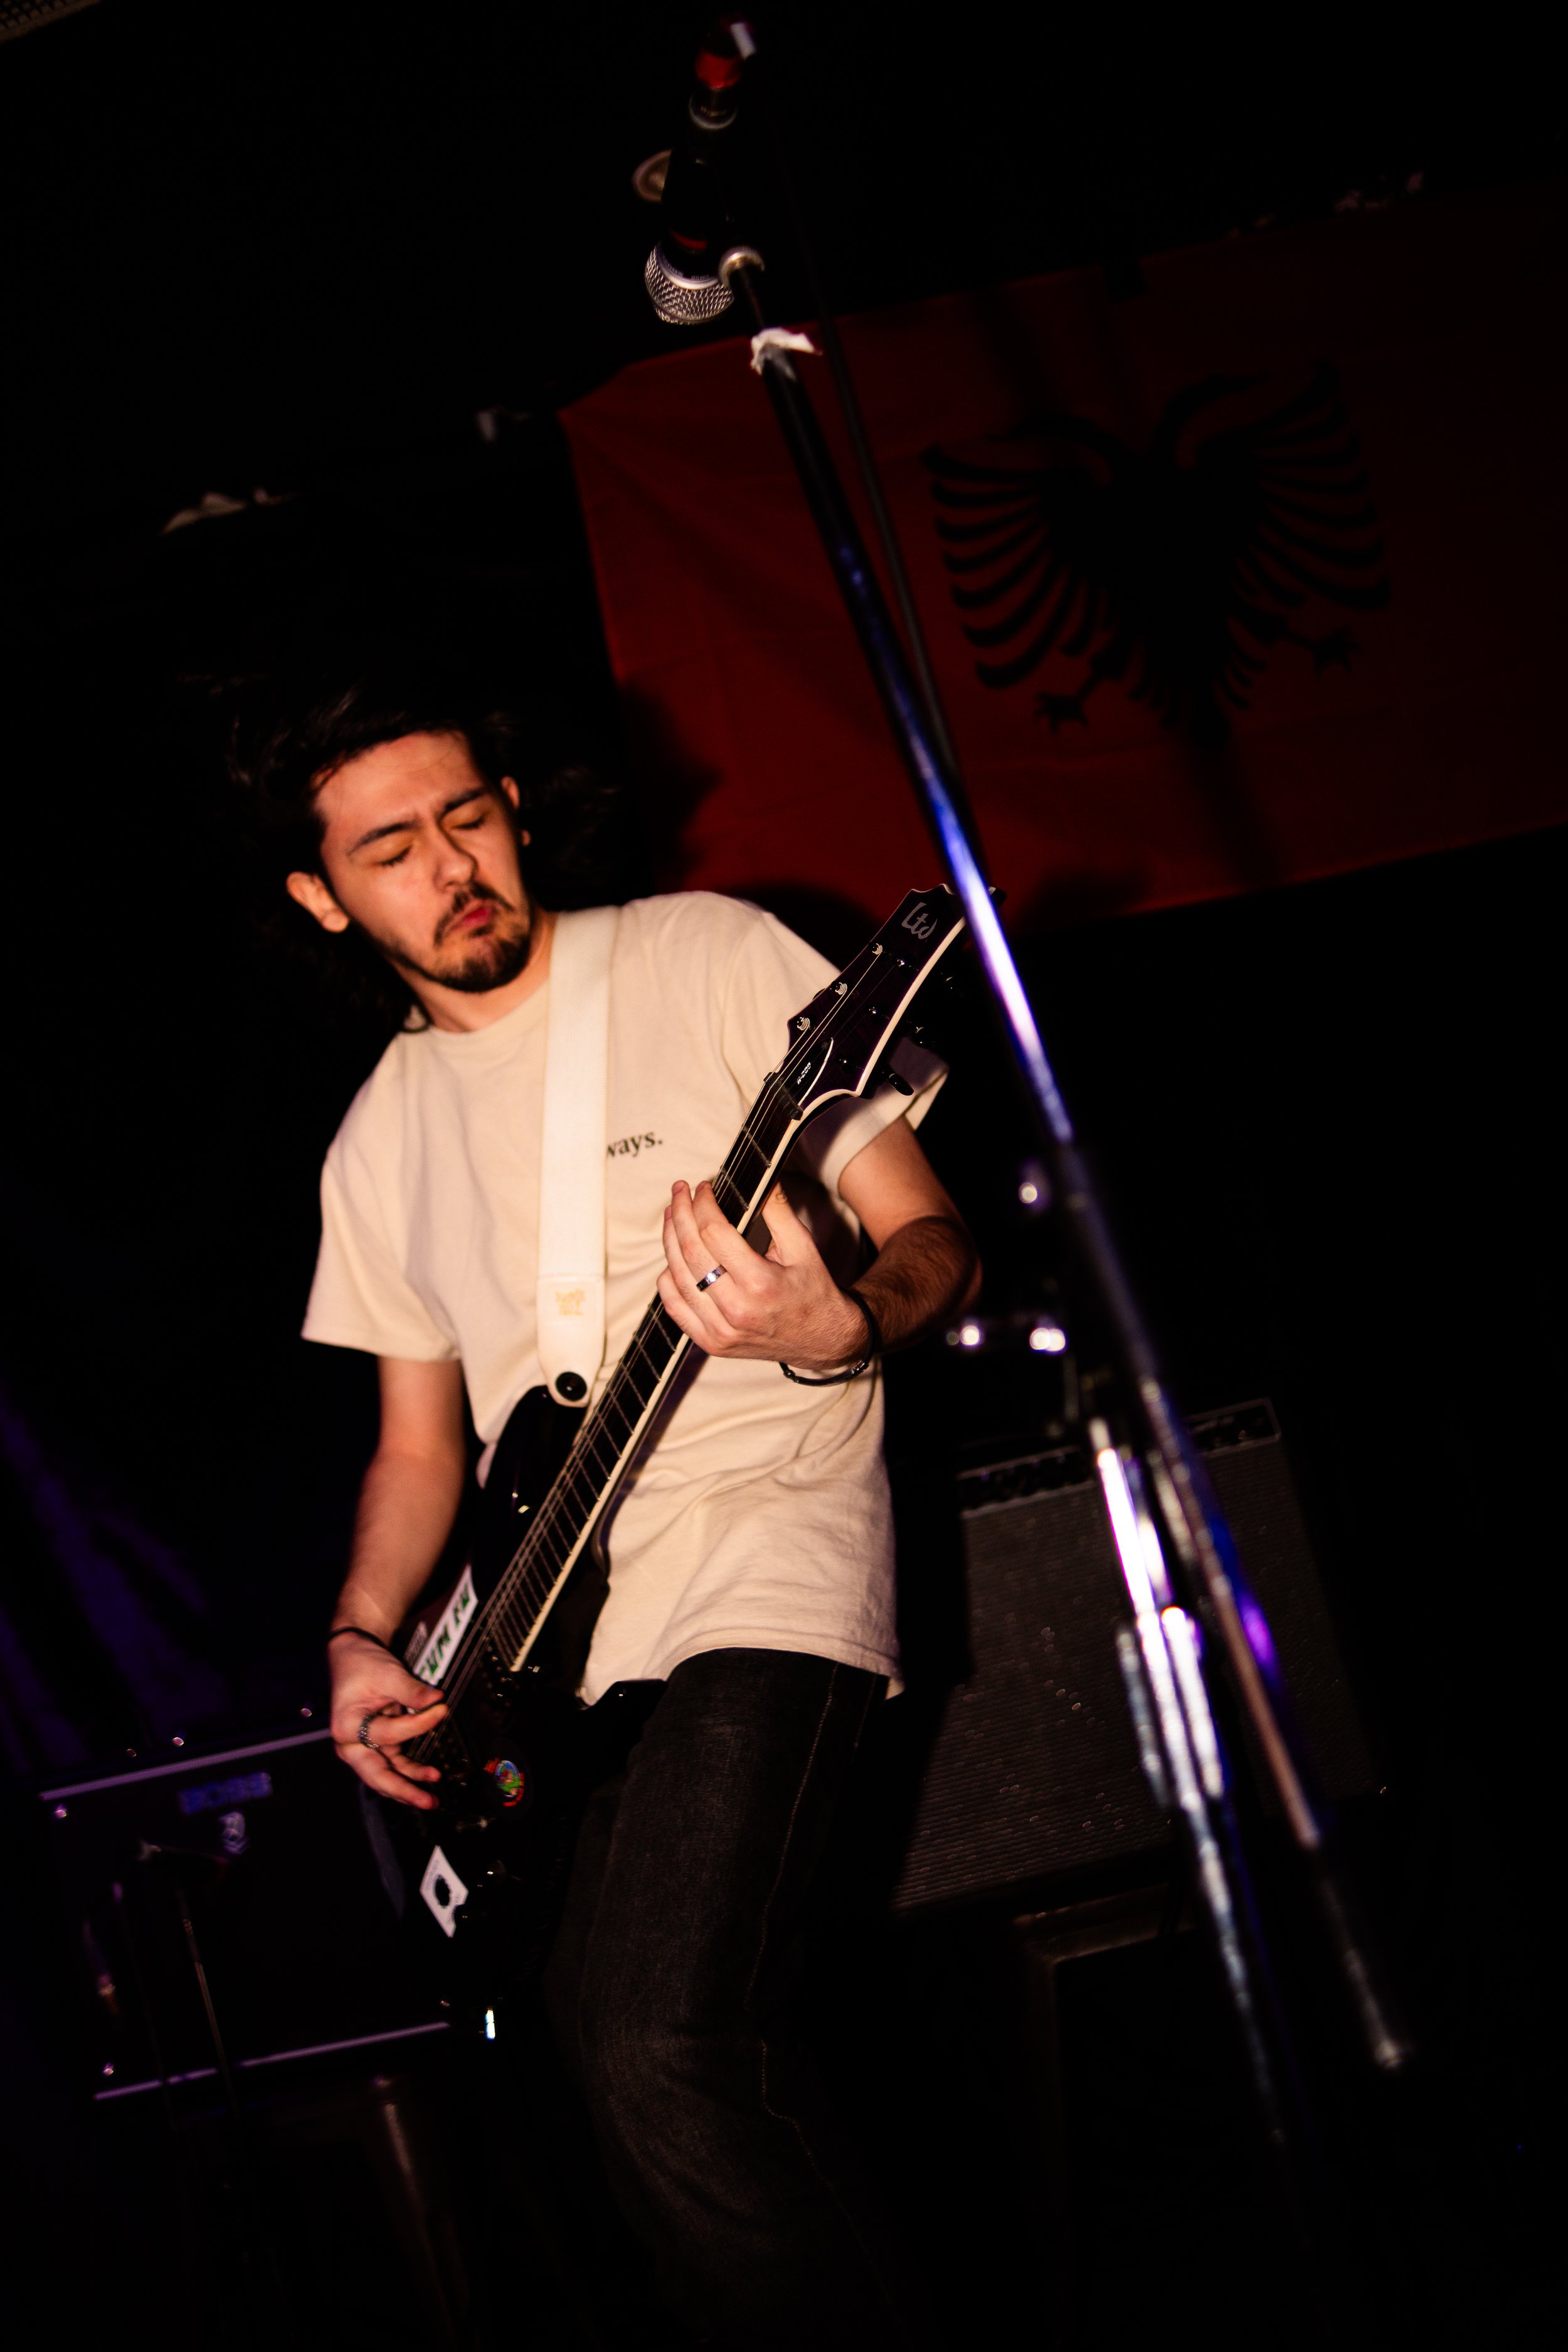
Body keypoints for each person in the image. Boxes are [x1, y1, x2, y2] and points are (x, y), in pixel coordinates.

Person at [241, 674, 978, 2347]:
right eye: (389, 850)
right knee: (594, 2052)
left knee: (667, 2036)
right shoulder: (376, 1141)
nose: (450, 865)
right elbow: (423, 1449)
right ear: (321, 897)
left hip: (763, 1545)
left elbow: (930, 1235)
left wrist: (844, 1318)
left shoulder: (705, 956)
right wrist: (362, 1637)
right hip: (553, 1634)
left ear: (510, 802)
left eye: (466, 817)